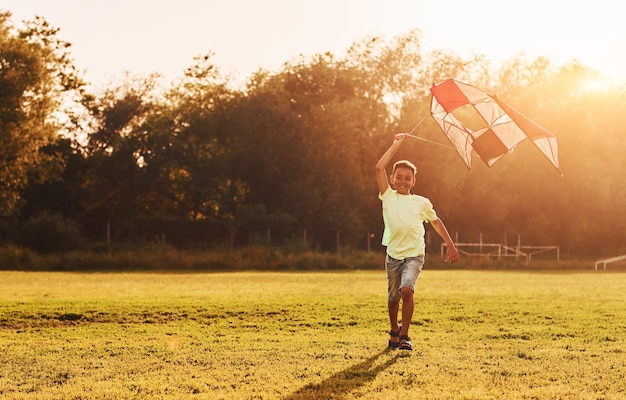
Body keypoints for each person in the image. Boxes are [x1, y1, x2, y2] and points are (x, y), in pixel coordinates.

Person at [375, 132, 459, 351]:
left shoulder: (421, 202)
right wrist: (396, 144)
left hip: (414, 254)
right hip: (393, 255)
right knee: (393, 297)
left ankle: (404, 336)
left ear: (414, 181)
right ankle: (394, 330)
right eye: (399, 177)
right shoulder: (388, 196)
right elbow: (378, 168)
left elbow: (436, 222)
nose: (403, 181)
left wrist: (450, 245)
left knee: (406, 291)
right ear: (392, 179)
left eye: (408, 178)